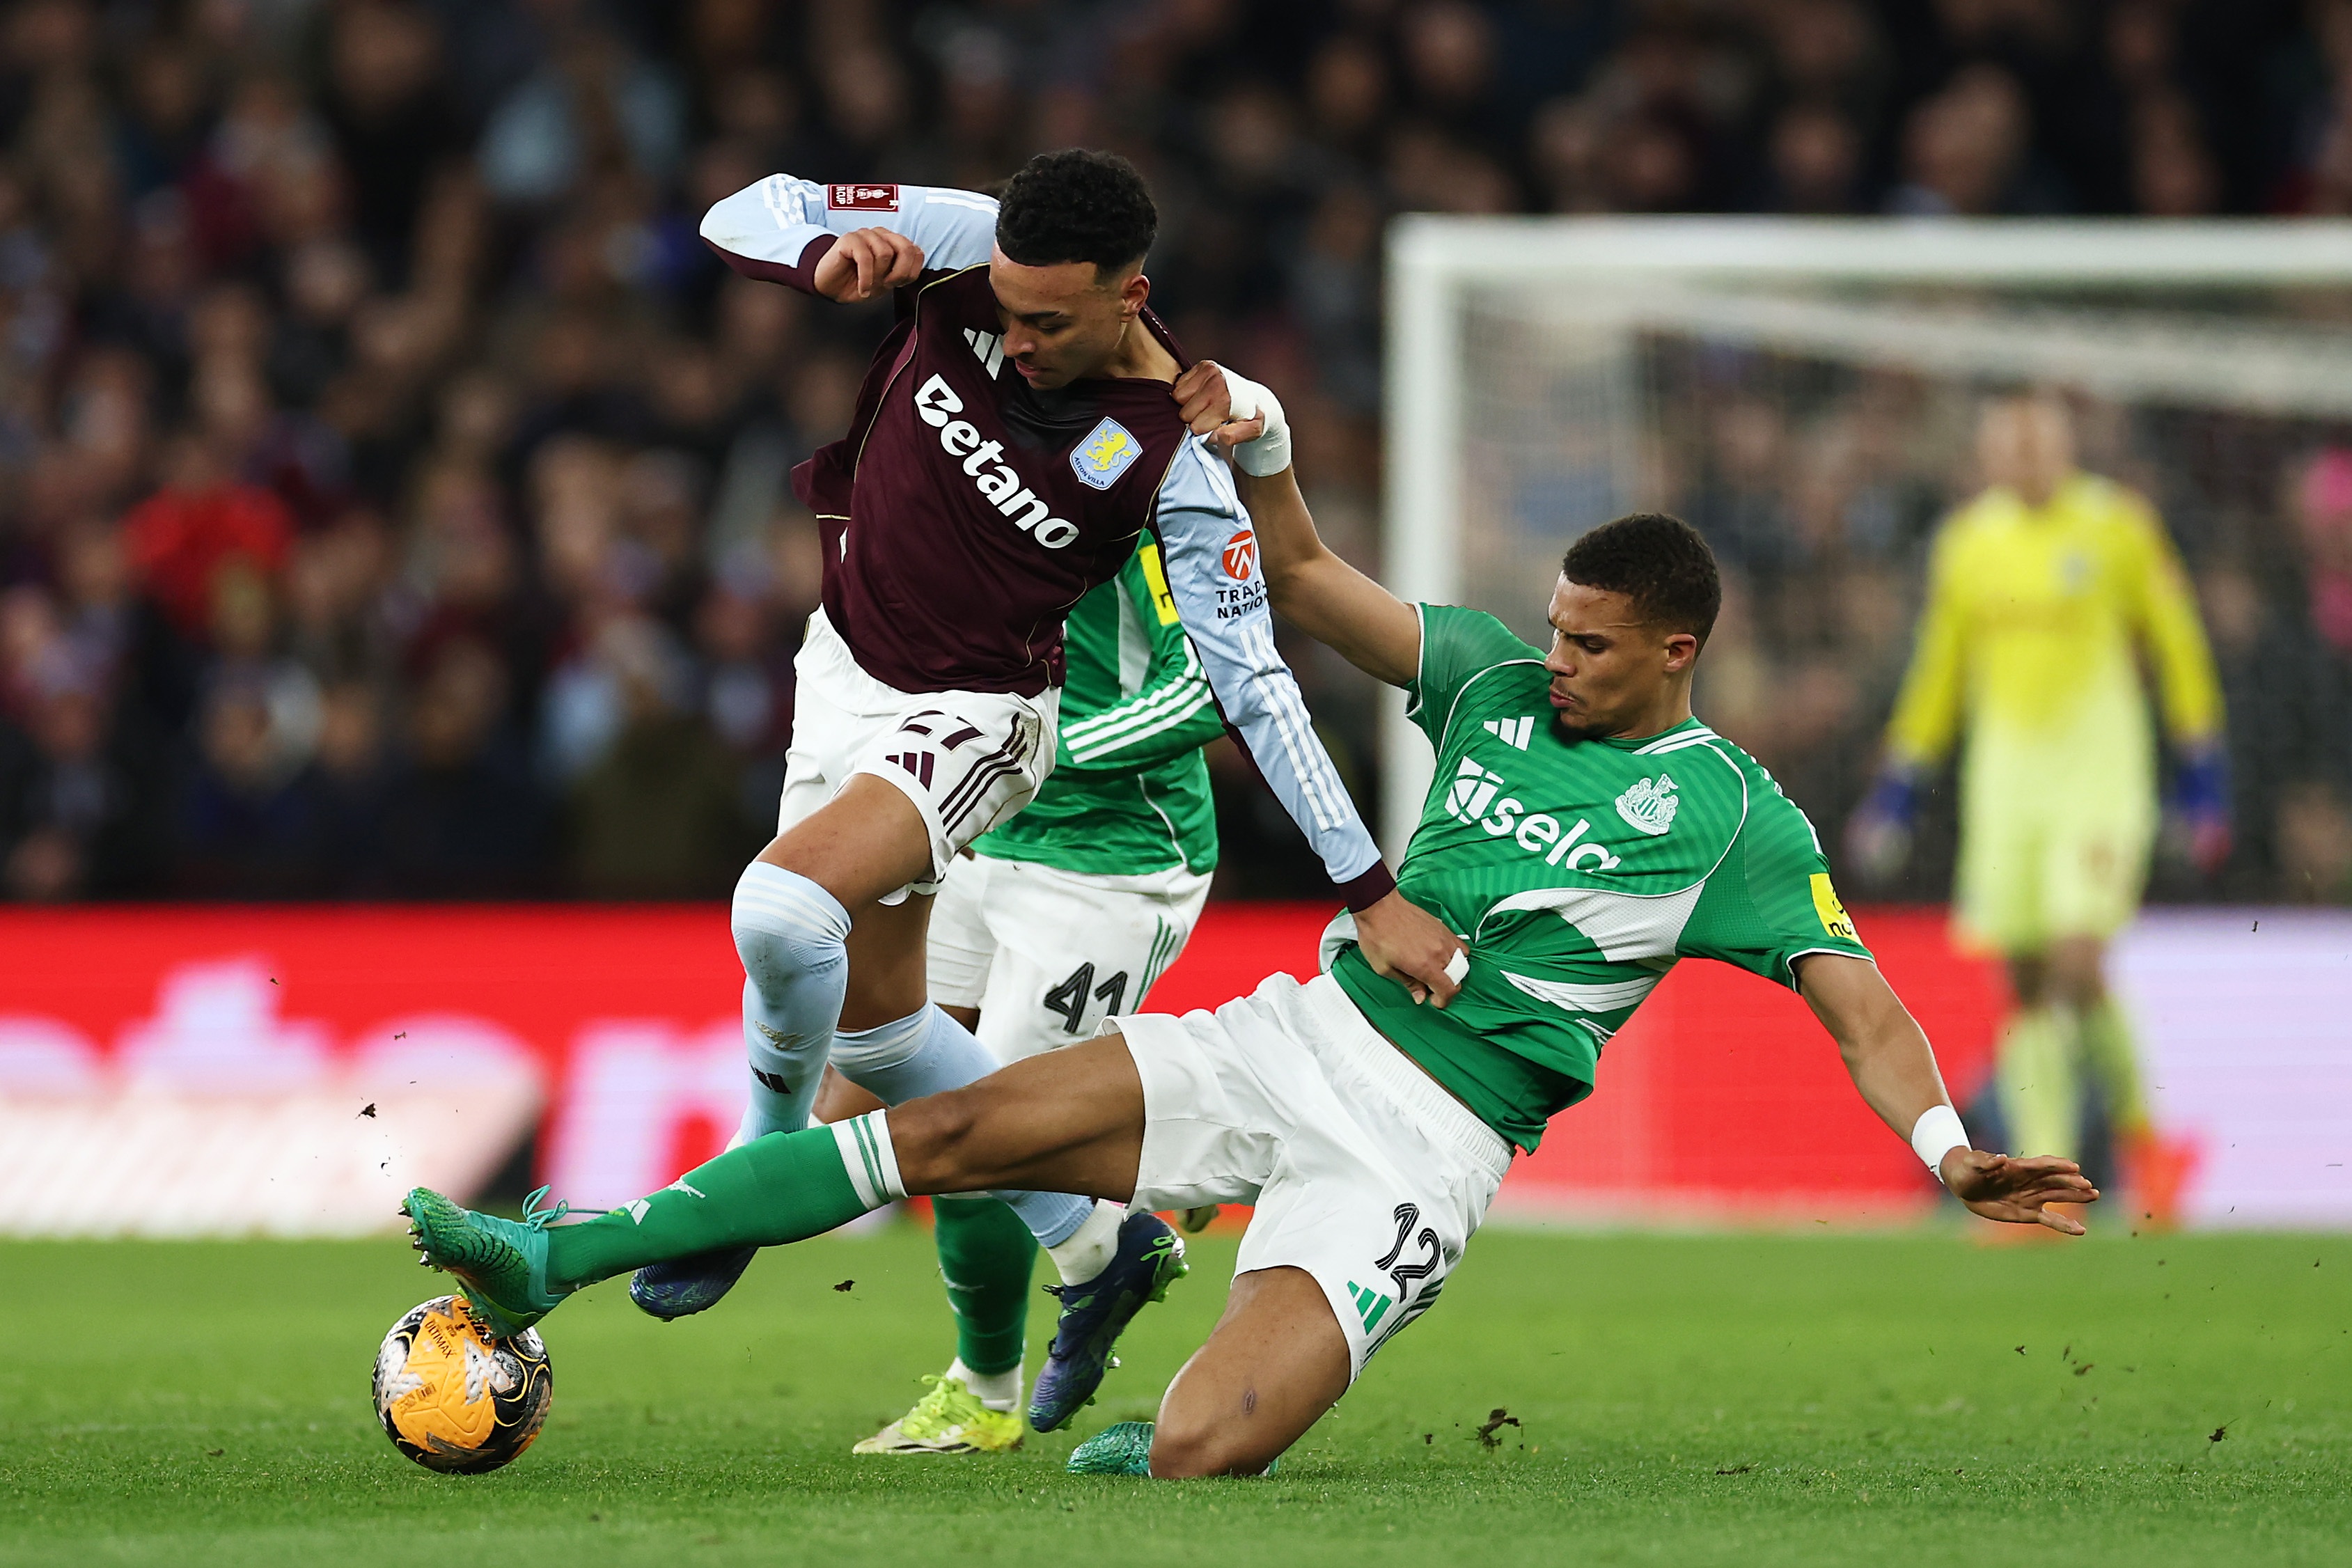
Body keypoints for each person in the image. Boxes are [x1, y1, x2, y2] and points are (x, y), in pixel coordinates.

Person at [403, 496, 2097, 1479]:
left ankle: (1139, 1381)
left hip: (1425, 1148)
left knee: (1202, 1449)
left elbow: (1859, 1000)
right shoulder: (1490, 680)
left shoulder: (1734, 813)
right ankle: (557, 1256)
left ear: (1675, 650)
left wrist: (1950, 1147)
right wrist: (1254, 436)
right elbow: (1294, 579)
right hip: (1291, 1037)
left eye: (1591, 642)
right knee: (943, 1128)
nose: (1555, 656)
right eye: (1557, 629)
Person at [626, 149, 1464, 1436]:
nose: (1012, 342)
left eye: (1048, 323)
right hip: (855, 675)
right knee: (885, 1045)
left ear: (1131, 294)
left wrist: (1370, 887)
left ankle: (954, 1359)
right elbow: (749, 205)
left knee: (807, 942)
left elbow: (1249, 691)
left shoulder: (1179, 461)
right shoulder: (969, 246)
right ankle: (1095, 1243)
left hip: (1047, 788)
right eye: (1002, 311)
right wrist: (827, 257)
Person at [819, 531, 1227, 1457]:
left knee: (985, 1126)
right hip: (984, 831)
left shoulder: (1137, 488)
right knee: (897, 1083)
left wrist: (1043, 750)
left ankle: (987, 1385)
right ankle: (1152, 1177)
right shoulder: (955, 457)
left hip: (1110, 864)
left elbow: (1203, 686)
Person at [1847, 391, 2222, 1225]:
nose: (2024, 459)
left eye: (2038, 444)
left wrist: (2203, 762)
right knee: (2024, 983)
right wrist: (1900, 786)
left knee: (2077, 960)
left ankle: (2144, 1144)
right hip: (2007, 787)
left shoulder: (2118, 526)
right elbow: (1939, 670)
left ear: (2066, 449)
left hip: (2100, 778)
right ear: (1985, 457)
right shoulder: (1967, 543)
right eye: (2008, 447)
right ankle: (2054, 1185)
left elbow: (2177, 638)